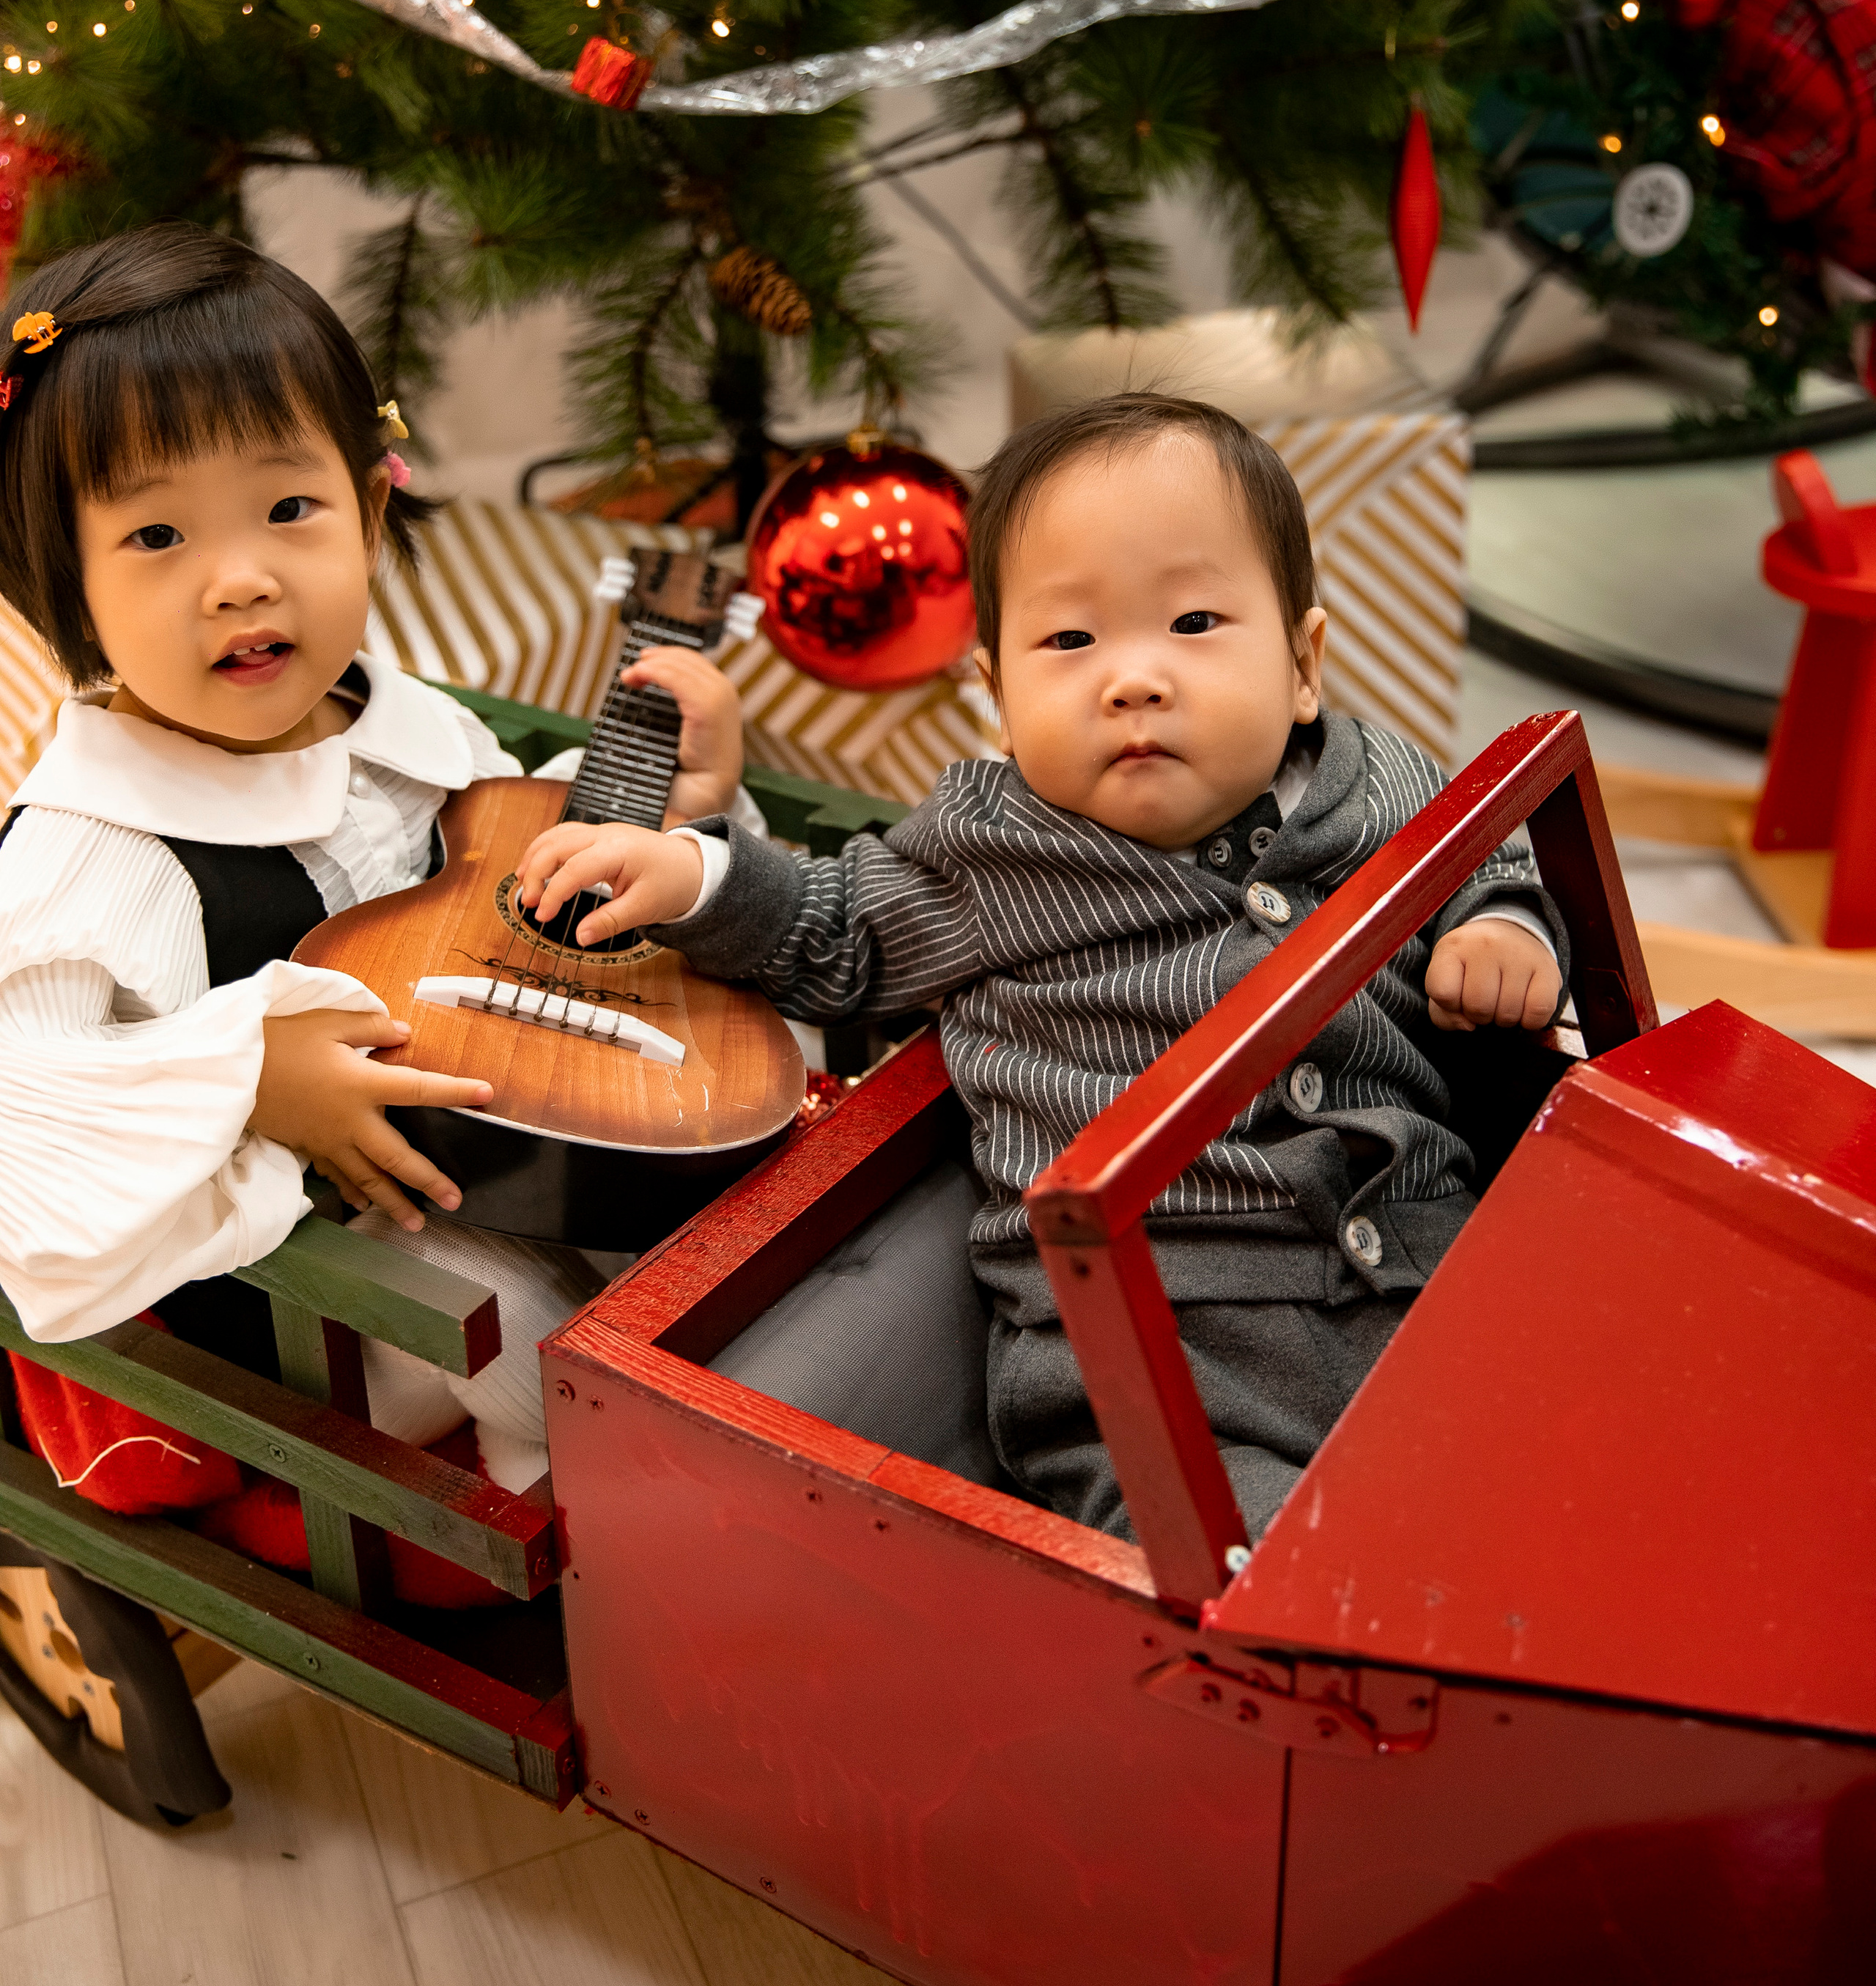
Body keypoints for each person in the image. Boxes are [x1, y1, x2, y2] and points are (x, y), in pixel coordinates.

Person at [517, 391, 1568, 1544]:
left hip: (1421, 1262)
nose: (1134, 679)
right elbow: (839, 929)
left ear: (1304, 664)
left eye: (1195, 622)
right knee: (1255, 1566)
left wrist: (1505, 928)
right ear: (999, 696)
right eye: (1070, 642)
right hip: (1154, 1343)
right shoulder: (992, 852)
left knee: (1544, 1462)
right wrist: (696, 875)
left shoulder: (1380, 786)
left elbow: (1490, 855)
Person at [0, 225, 746, 1812]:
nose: (243, 576)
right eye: (157, 537)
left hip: (488, 1141)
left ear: (372, 504)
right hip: (302, 1286)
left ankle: (751, 1433)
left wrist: (650, 822)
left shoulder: (399, 729)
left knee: (715, 1178)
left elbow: (495, 872)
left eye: (290, 509)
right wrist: (240, 1079)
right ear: (65, 580)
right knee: (526, 1324)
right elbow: (24, 1111)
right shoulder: (86, 856)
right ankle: (600, 1544)